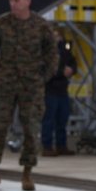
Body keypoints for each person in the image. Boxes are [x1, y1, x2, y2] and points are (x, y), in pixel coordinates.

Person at [0, 0, 58, 191]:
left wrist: (43, 77)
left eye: (17, 0)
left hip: (31, 85)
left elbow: (52, 55)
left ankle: (27, 173)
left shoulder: (41, 25)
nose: (13, 4)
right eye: (11, 0)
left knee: (31, 128)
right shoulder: (1, 24)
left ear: (28, 1)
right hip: (5, 84)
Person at [41, 28, 77, 156]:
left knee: (62, 119)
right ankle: (47, 146)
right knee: (48, 120)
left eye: (58, 36)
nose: (57, 38)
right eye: (54, 36)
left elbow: (73, 62)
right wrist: (62, 71)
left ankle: (62, 145)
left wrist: (71, 70)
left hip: (63, 90)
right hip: (50, 90)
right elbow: (46, 69)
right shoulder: (45, 52)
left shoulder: (64, 50)